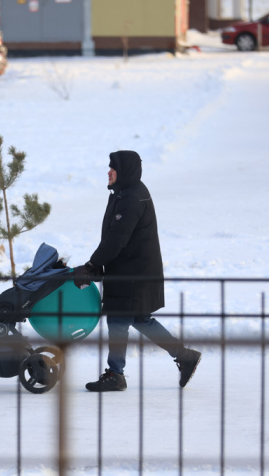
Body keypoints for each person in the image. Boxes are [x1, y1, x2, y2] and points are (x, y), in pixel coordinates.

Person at [73, 150, 201, 392]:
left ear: (125, 171)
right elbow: (114, 238)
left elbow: (116, 239)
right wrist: (98, 263)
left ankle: (116, 374)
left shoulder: (132, 198)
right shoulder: (125, 193)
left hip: (132, 273)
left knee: (119, 319)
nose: (109, 171)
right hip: (132, 269)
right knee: (140, 318)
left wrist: (92, 265)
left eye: (113, 168)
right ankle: (184, 356)